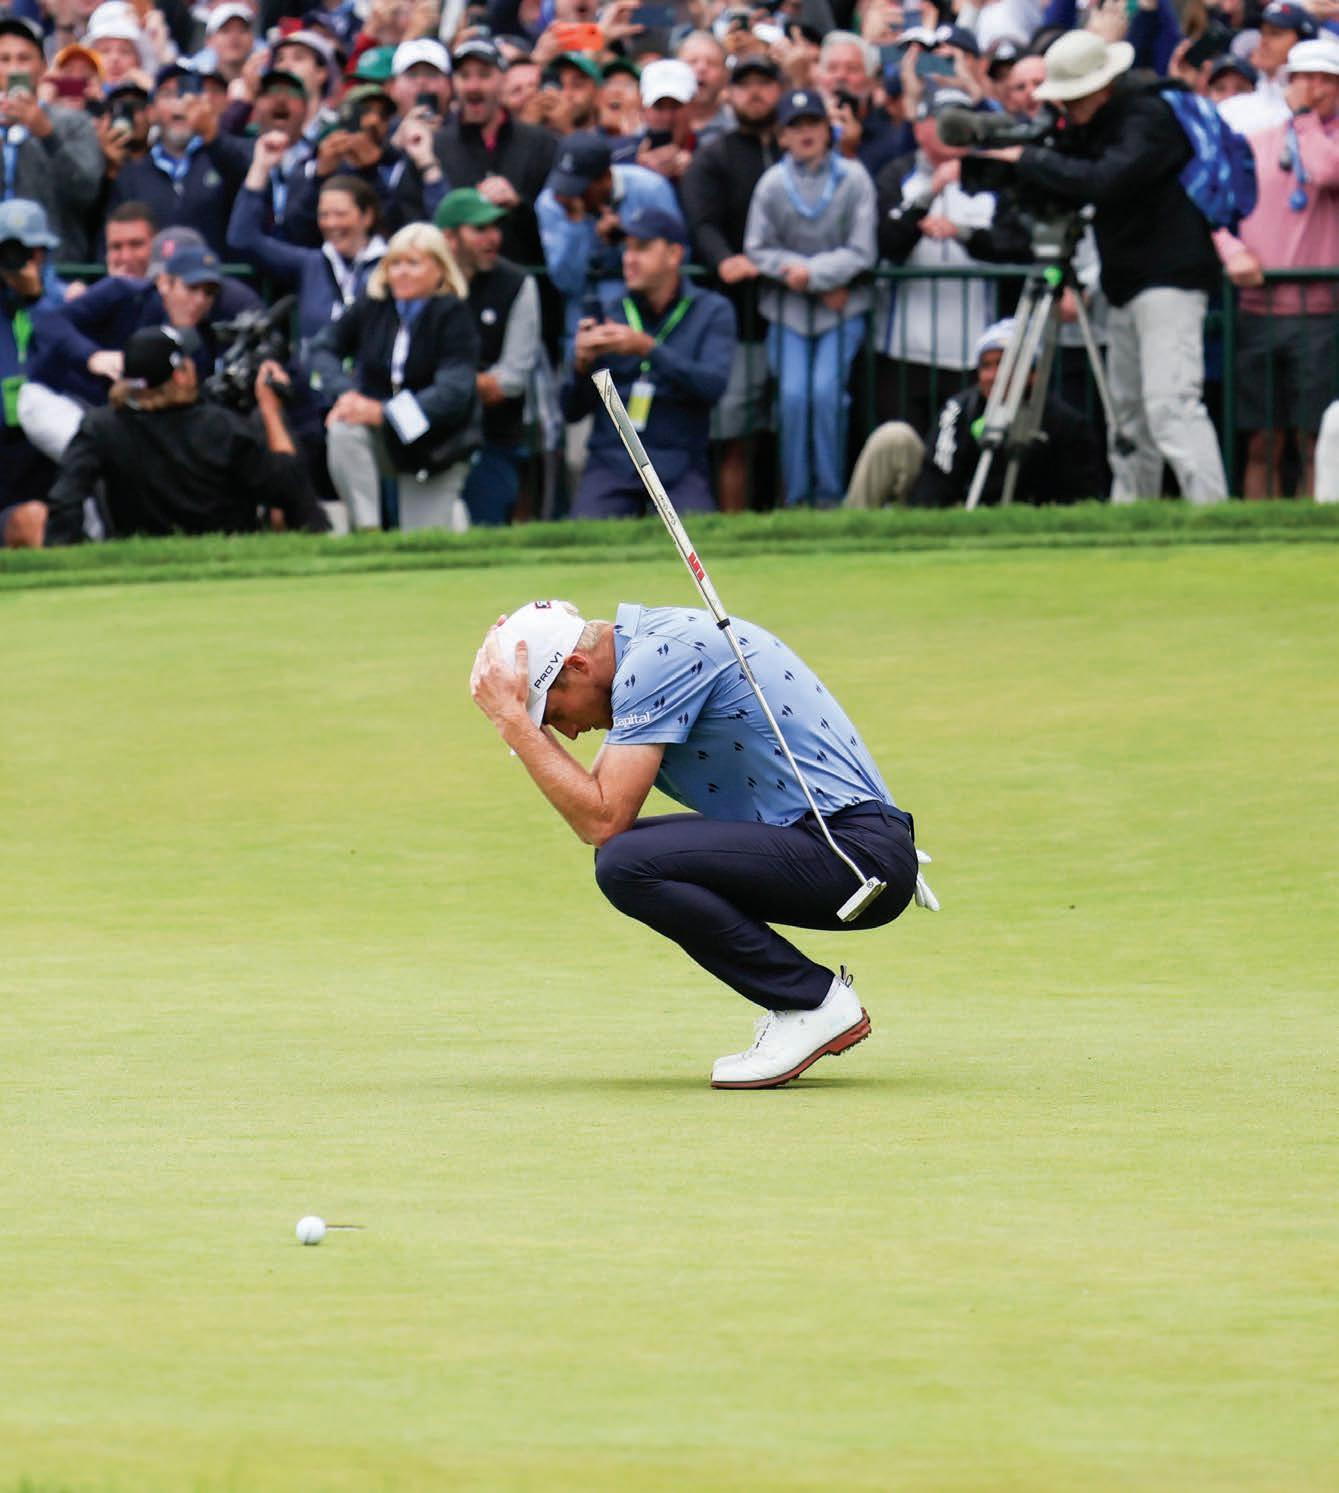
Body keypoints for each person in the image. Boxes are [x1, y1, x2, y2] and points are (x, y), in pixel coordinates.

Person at [468, 598, 922, 1090]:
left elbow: (602, 818)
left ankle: (811, 1002)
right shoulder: (648, 654)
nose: (570, 733)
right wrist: (516, 713)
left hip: (854, 854)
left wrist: (513, 722)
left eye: (555, 713)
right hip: (837, 846)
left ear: (578, 666)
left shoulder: (659, 659)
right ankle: (807, 1001)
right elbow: (594, 805)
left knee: (626, 862)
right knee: (626, 856)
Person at [993, 30, 1229, 504]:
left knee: (1171, 405)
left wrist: (1030, 159)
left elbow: (1106, 179)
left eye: (1072, 98)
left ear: (1101, 88)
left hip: (1169, 279)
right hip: (1125, 281)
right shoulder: (1099, 124)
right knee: (1128, 413)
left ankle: (1212, 510)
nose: (1066, 108)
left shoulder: (1149, 117)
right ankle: (1132, 511)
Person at [42, 324, 329, 540]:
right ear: (180, 375)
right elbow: (289, 488)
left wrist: (69, 559)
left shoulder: (101, 426)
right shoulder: (220, 426)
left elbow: (64, 499)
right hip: (227, 561)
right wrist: (271, 411)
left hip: (140, 564)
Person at [1214, 36, 1339, 498]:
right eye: (1303, 79)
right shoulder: (1256, 143)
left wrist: (1304, 119)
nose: (1313, 89)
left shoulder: (1326, 141)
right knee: (1262, 441)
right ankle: (1255, 527)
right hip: (1257, 310)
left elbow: (1326, 172)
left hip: (1321, 314)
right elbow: (1216, 209)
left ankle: (1315, 528)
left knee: (1315, 442)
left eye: (1325, 79)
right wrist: (1233, 252)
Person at [744, 87, 876, 507]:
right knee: (793, 397)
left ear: (828, 130)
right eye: (795, 126)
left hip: (842, 309)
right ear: (782, 136)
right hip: (789, 311)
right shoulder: (771, 184)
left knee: (826, 395)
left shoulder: (854, 178)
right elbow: (757, 248)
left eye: (813, 124)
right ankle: (797, 499)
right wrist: (800, 274)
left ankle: (830, 498)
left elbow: (863, 250)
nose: (805, 133)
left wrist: (815, 274)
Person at [562, 201, 735, 518]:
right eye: (626, 249)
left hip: (678, 461)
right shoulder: (609, 311)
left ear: (674, 254)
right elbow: (571, 411)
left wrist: (647, 349)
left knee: (697, 539)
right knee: (586, 537)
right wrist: (581, 365)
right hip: (613, 461)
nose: (629, 259)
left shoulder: (712, 310)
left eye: (641, 248)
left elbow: (711, 386)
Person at [307, 222, 481, 532]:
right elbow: (322, 348)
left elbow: (453, 392)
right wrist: (346, 394)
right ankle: (367, 529)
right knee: (344, 427)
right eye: (395, 263)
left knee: (423, 541)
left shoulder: (454, 315)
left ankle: (454, 518)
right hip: (383, 434)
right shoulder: (374, 304)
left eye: (413, 263)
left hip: (437, 443)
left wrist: (384, 412)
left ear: (440, 270)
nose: (401, 272)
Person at [849, 318, 1105, 507]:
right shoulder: (958, 409)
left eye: (1003, 363)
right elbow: (935, 484)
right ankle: (851, 534)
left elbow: (1083, 499)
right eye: (985, 366)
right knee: (893, 437)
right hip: (956, 514)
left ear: (1032, 373)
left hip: (1030, 521)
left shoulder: (1067, 423)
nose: (993, 376)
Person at [681, 54, 783, 512]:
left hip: (794, 314)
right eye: (745, 85)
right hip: (736, 319)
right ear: (729, 94)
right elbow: (701, 222)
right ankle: (732, 525)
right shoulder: (715, 155)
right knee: (733, 436)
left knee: (787, 430)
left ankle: (792, 522)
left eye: (764, 83)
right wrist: (723, 260)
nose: (755, 93)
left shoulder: (796, 150)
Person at [435, 186, 542, 526]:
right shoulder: (421, 282)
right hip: (424, 438)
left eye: (496, 227)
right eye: (480, 229)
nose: (493, 237)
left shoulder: (517, 283)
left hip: (492, 436)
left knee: (487, 528)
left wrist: (441, 389)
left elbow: (510, 381)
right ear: (449, 237)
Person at [106, 63, 251, 254]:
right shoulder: (131, 174)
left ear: (204, 104)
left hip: (215, 271)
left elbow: (249, 183)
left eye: (188, 91)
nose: (180, 101)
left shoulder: (226, 155)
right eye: (168, 94)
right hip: (153, 272)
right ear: (152, 112)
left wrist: (212, 136)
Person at [0, 12, 103, 262]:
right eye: (4, 59)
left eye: (24, 58)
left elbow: (87, 191)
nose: (14, 68)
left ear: (43, 66)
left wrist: (47, 134)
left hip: (57, 266)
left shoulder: (74, 123)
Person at [0, 199, 64, 548]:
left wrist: (35, 297)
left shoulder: (61, 302)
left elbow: (63, 342)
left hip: (45, 447)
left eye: (30, 252)